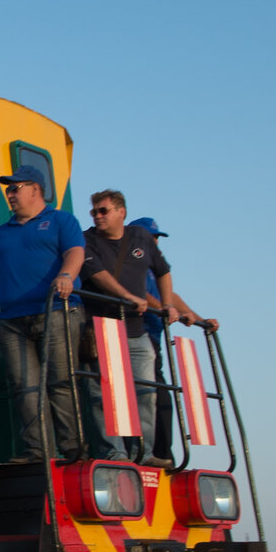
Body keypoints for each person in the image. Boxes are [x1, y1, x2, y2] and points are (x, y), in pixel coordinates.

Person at [0, 166, 87, 462]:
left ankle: (73, 448)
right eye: (8, 189)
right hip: (13, 321)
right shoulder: (3, 233)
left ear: (35, 190)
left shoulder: (61, 220)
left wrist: (66, 275)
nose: (10, 194)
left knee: (61, 382)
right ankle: (37, 451)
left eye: (15, 188)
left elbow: (75, 252)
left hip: (56, 312)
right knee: (24, 387)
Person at [80, 191, 173, 464]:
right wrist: (128, 297)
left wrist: (167, 305)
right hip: (101, 329)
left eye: (103, 211)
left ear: (121, 212)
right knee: (101, 394)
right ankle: (115, 453)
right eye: (94, 212)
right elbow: (98, 275)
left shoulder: (141, 238)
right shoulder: (87, 240)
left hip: (136, 331)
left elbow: (163, 270)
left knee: (146, 392)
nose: (97, 216)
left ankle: (143, 453)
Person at [127, 216, 220, 466]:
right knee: (151, 393)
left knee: (161, 395)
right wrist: (166, 311)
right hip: (138, 336)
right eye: (151, 237)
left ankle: (163, 452)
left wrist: (200, 319)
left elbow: (171, 296)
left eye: (156, 238)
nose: (155, 242)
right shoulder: (130, 264)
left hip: (154, 338)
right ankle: (149, 452)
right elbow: (140, 294)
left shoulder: (153, 267)